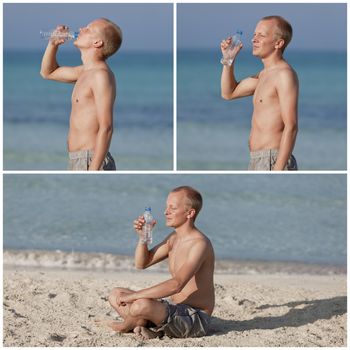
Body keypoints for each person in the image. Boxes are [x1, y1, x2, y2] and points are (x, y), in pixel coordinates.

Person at [98, 186, 215, 339]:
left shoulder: (200, 244)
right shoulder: (173, 238)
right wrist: (143, 238)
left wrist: (134, 297)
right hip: (173, 310)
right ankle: (148, 326)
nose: (166, 212)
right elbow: (142, 264)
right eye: (167, 207)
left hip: (195, 318)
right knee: (116, 294)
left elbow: (176, 284)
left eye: (172, 208)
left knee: (141, 304)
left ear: (190, 213)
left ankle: (124, 326)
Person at [40, 18, 122, 170]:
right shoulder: (85, 72)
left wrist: (93, 169)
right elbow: (47, 72)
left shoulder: (100, 75)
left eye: (88, 29)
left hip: (91, 159)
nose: (81, 28)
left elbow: (107, 127)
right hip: (78, 160)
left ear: (97, 43)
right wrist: (53, 45)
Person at [221, 15, 298, 171]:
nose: (253, 39)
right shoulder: (263, 75)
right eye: (254, 35)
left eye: (261, 35)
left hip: (273, 159)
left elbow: (291, 126)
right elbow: (228, 93)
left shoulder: (284, 75)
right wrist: (228, 60)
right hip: (257, 160)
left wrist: (278, 169)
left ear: (278, 43)